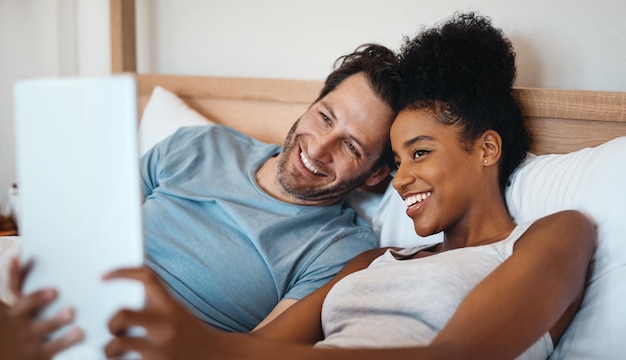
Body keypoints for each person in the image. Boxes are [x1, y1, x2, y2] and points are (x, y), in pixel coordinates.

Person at [103, 12, 596, 360]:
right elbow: (260, 349)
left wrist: (204, 345)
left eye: (419, 153)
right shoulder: (374, 260)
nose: (401, 180)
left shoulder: (555, 234)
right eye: (399, 159)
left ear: (488, 149)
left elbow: (458, 355)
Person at [137, 43, 401, 332]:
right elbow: (93, 224)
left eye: (351, 146)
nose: (318, 148)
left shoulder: (339, 251)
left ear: (375, 174)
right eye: (325, 117)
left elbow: (258, 349)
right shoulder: (198, 145)